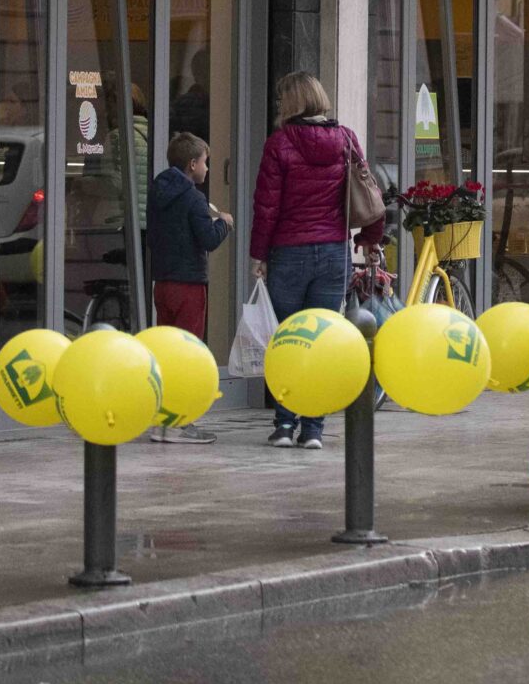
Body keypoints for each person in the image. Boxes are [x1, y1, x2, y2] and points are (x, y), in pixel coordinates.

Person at [248, 71, 380, 450]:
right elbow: (368, 190)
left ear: (290, 102)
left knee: (288, 338)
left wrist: (259, 253)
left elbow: (266, 206)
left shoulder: (279, 144)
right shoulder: (346, 139)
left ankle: (285, 425)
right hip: (333, 252)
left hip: (289, 252)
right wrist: (370, 240)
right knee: (321, 339)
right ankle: (314, 429)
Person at [146, 131, 232, 446]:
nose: (208, 169)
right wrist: (224, 222)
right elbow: (208, 240)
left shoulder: (157, 191)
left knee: (166, 353)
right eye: (206, 163)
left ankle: (161, 420)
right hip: (190, 286)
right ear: (192, 163)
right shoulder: (194, 198)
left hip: (163, 282)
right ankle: (180, 423)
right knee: (187, 354)